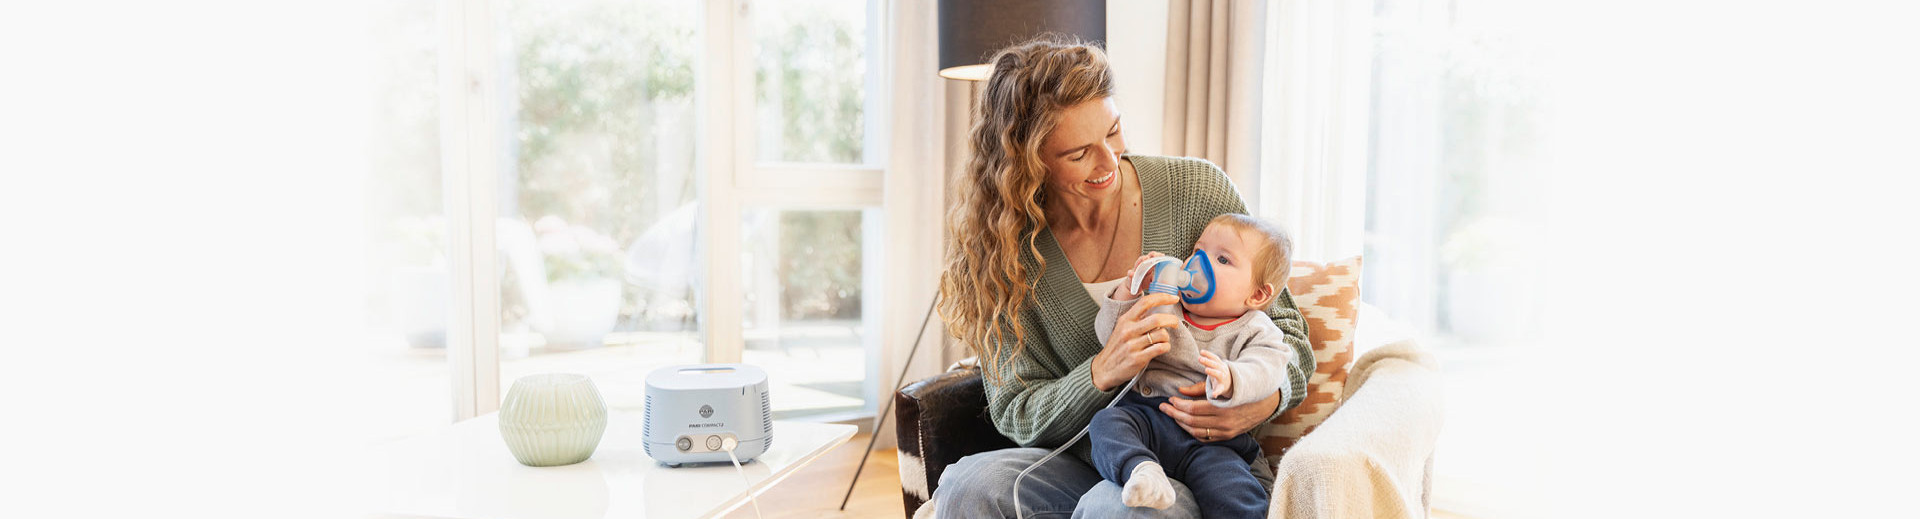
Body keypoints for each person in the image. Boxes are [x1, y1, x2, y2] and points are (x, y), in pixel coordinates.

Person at [932, 37, 1315, 519]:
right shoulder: (1002, 251)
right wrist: (1101, 371)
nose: (1109, 161)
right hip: (1091, 457)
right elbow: (1015, 411)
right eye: (1078, 153)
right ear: (1028, 162)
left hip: (1199, 465)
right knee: (967, 485)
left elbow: (1291, 339)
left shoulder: (1197, 192)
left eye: (1113, 132)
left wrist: (1261, 401)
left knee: (1113, 509)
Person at [1088, 214, 1298, 517]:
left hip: (1209, 442)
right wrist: (1130, 290)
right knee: (1106, 425)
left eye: (1222, 259)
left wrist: (1232, 377)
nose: (1198, 263)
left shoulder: (1256, 329)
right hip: (1147, 418)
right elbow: (1112, 337)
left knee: (1232, 490)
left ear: (1257, 294)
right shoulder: (1164, 301)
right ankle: (1141, 471)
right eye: (1198, 250)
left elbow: (1269, 369)